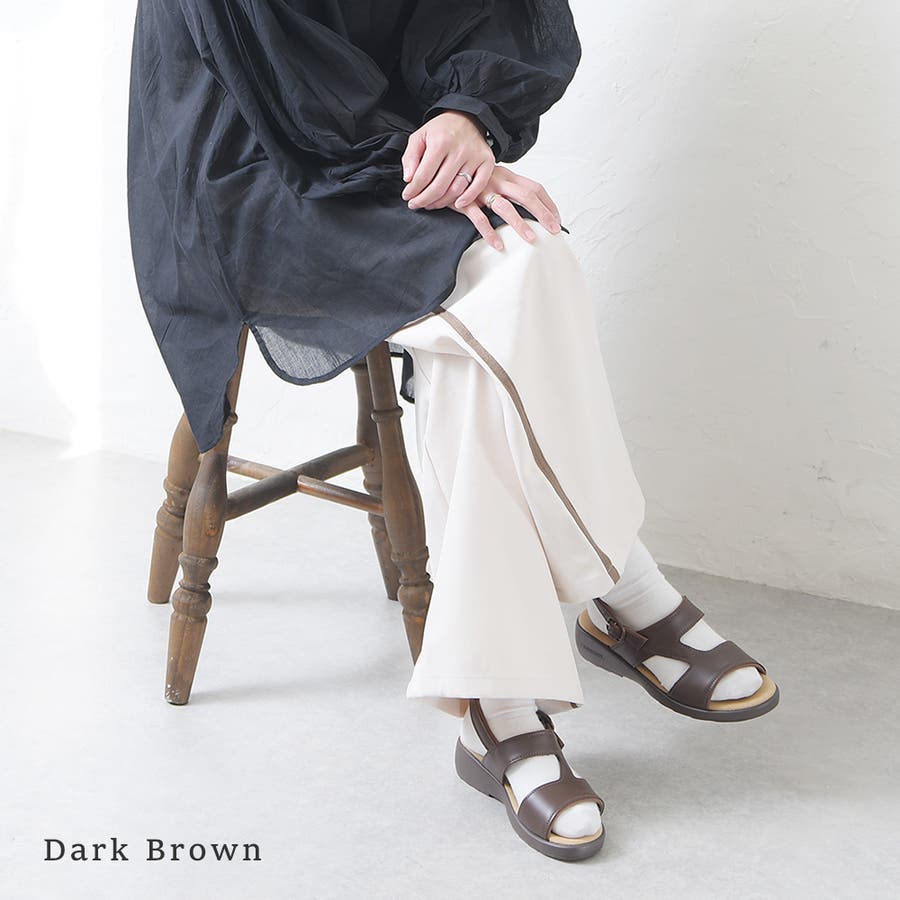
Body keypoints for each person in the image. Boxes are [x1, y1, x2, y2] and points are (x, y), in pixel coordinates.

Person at [128, 0, 779, 862]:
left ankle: (497, 710)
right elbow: (282, 72)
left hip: (383, 156)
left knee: (527, 258)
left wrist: (467, 115)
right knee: (505, 275)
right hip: (247, 171)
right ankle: (627, 593)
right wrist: (429, 152)